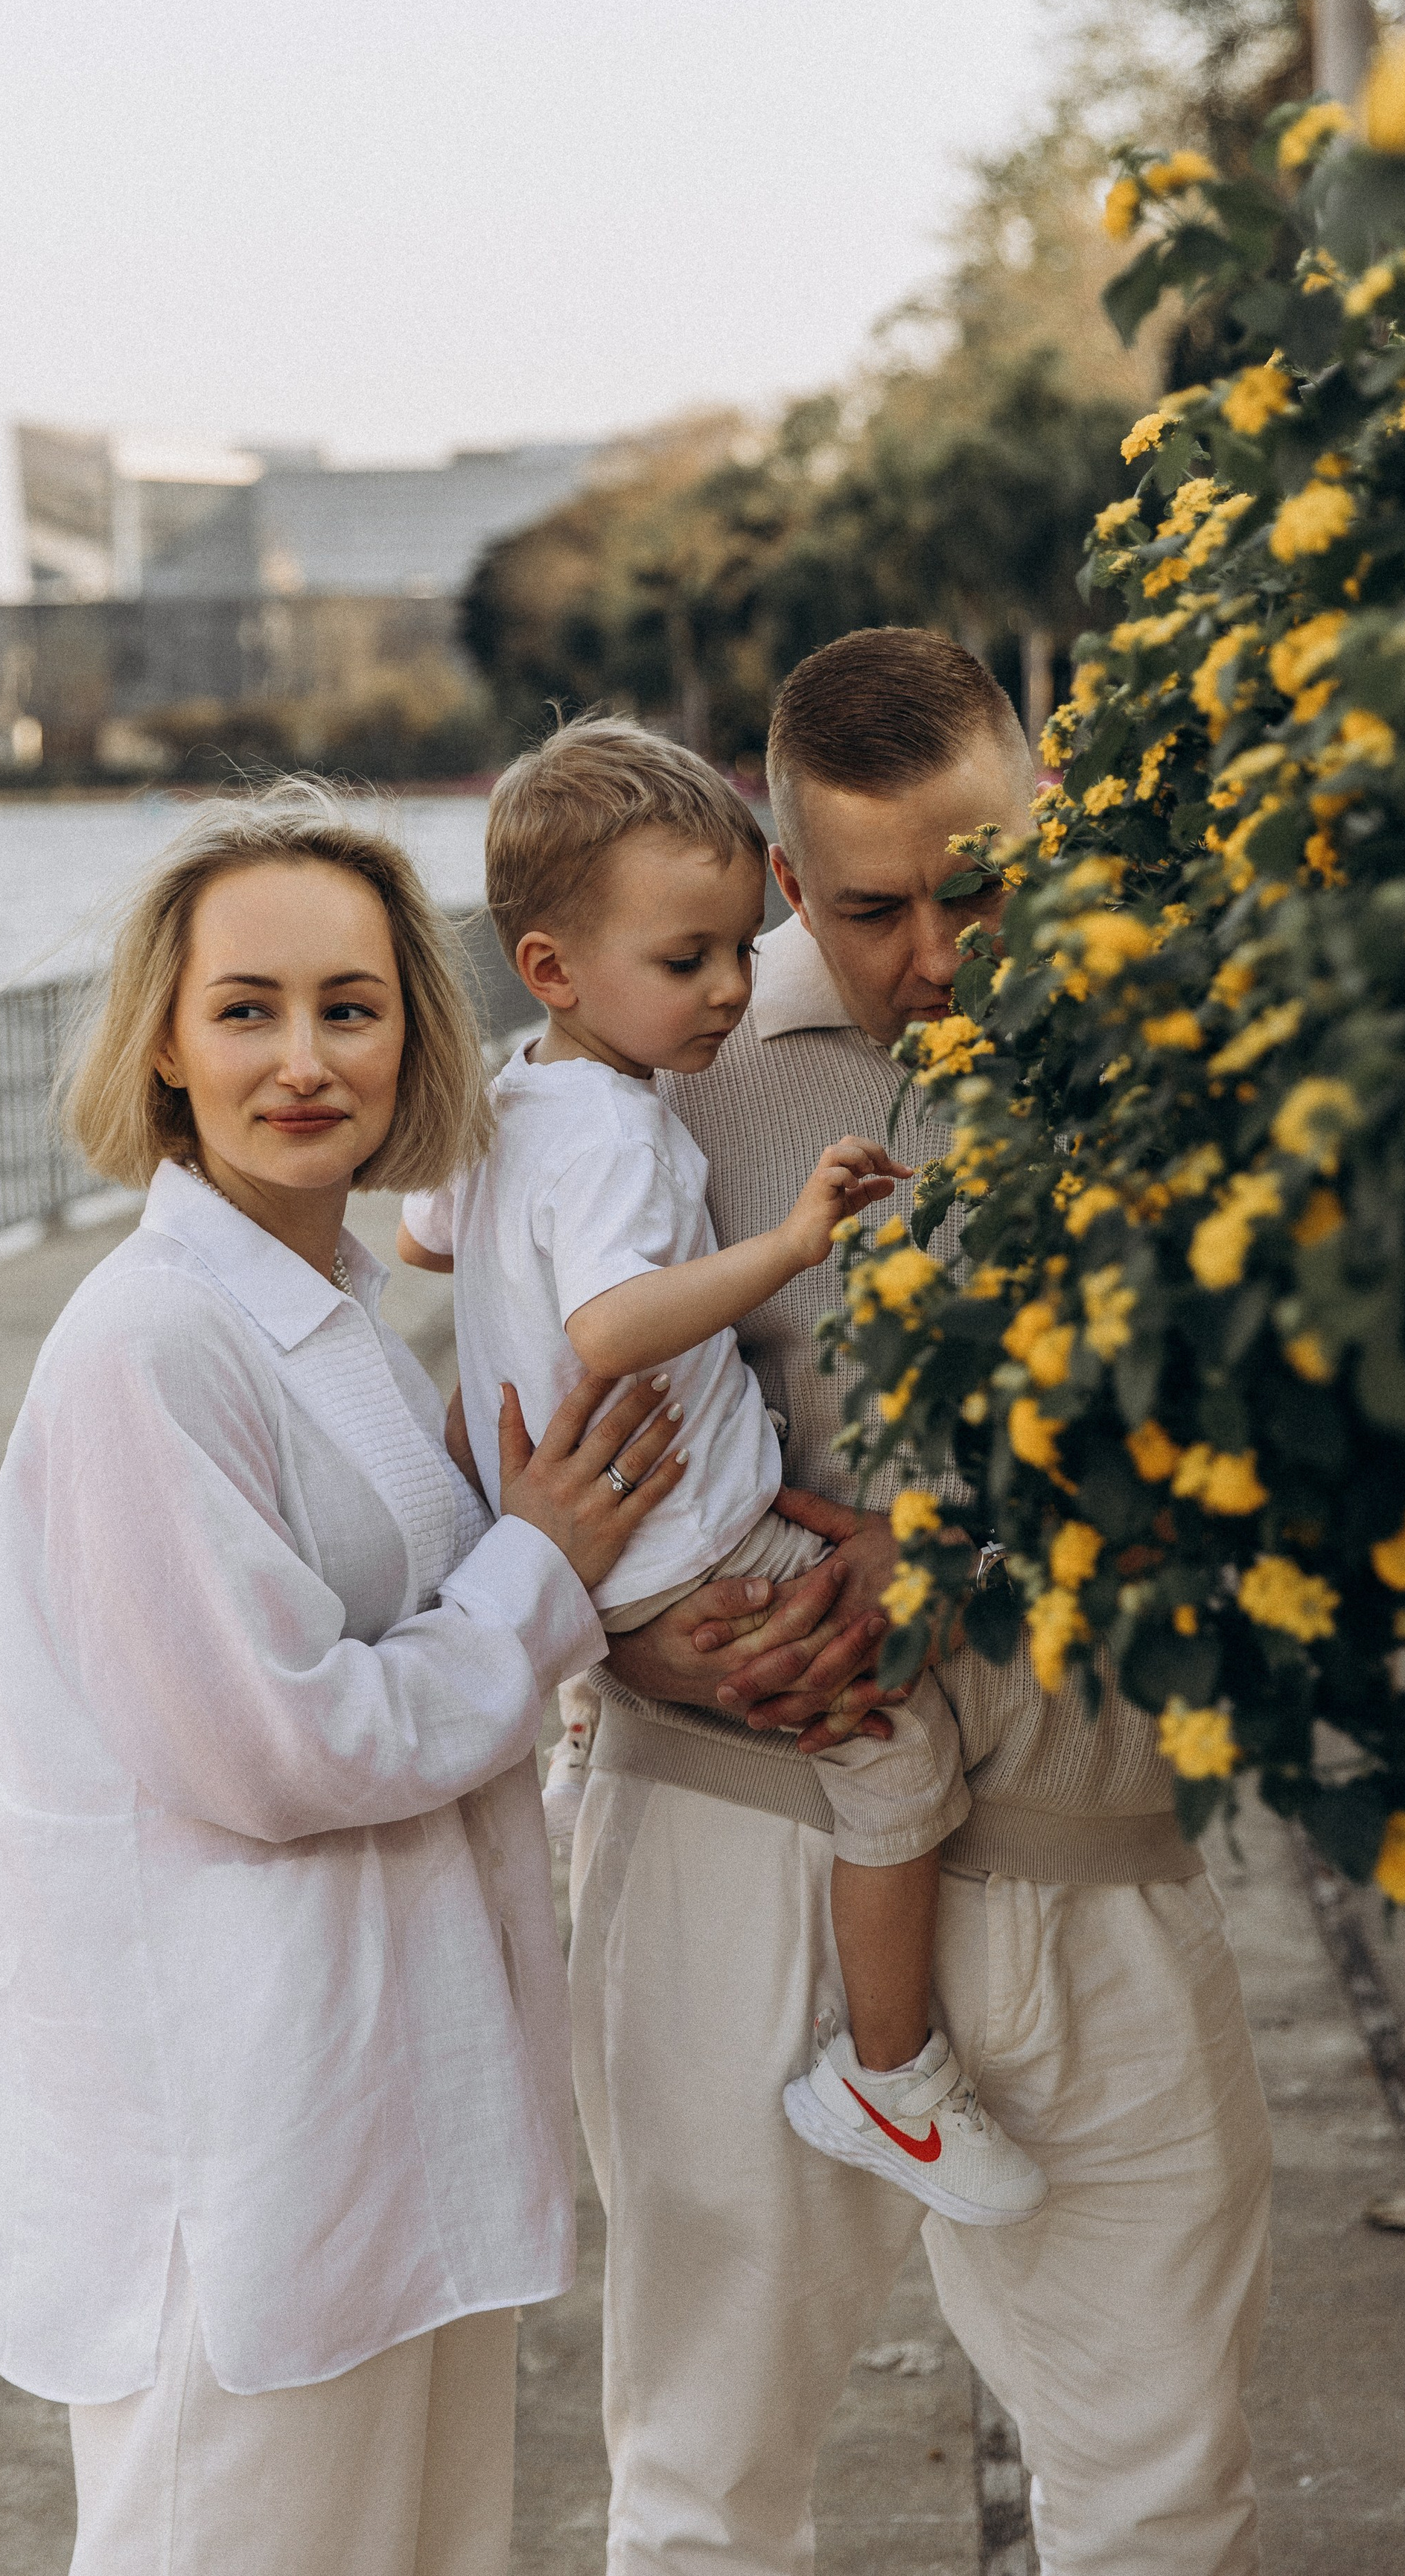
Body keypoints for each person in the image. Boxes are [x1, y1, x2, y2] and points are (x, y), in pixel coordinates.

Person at [570, 631, 1274, 2576]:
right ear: (787, 880)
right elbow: (488, 1434)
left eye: (984, 881)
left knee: (1165, 2499)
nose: (940, 951)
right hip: (741, 1841)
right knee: (706, 2492)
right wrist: (618, 1630)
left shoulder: (1187, 1058)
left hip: (1088, 1837)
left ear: (1046, 814)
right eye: (874, 908)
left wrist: (978, 1551)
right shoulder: (666, 1086)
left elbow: (1271, 1453)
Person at [0, 785, 694, 2576]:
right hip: (237, 2153)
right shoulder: (148, 1348)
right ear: (164, 1050)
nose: (304, 1058)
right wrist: (542, 1571)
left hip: (371, 2117)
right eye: (247, 1008)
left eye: (349, 1007)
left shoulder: (328, 1303)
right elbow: (284, 1743)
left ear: (413, 1035)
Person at [398, 716, 1045, 2228]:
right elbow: (613, 1324)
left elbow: (427, 1236)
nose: (730, 994)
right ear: (554, 969)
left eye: (739, 951)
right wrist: (786, 1244)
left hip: (588, 1545)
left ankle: (577, 1733)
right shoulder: (619, 1133)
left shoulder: (506, 1097)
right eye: (684, 963)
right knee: (899, 1764)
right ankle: (888, 2078)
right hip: (683, 1543)